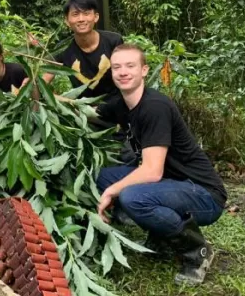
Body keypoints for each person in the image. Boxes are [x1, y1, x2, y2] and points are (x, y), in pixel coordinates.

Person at [96, 44, 227, 285]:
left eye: (130, 66)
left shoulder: (155, 106)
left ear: (144, 70)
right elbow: (89, 112)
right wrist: (40, 96)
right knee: (104, 176)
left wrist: (111, 192)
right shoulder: (121, 103)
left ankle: (197, 252)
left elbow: (152, 171)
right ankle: (160, 233)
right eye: (117, 67)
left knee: (132, 197)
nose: (123, 72)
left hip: (202, 193)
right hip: (171, 184)